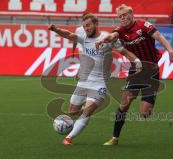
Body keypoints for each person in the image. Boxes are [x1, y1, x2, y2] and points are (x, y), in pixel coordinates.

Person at [48, 13, 142, 145]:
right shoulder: (83, 38)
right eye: (84, 26)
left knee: (87, 112)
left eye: (89, 25)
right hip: (84, 81)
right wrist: (56, 30)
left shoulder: (107, 39)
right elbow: (69, 35)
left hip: (100, 84)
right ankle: (80, 116)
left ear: (96, 24)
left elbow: (125, 52)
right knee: (72, 112)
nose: (86, 28)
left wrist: (137, 61)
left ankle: (68, 138)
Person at [96, 4, 173, 146]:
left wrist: (171, 51)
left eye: (125, 15)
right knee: (124, 103)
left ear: (131, 14)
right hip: (136, 70)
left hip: (151, 70)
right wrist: (103, 40)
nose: (123, 18)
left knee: (144, 113)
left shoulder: (144, 25)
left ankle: (150, 98)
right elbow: (113, 35)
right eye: (120, 17)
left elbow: (159, 37)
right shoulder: (121, 31)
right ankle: (114, 138)